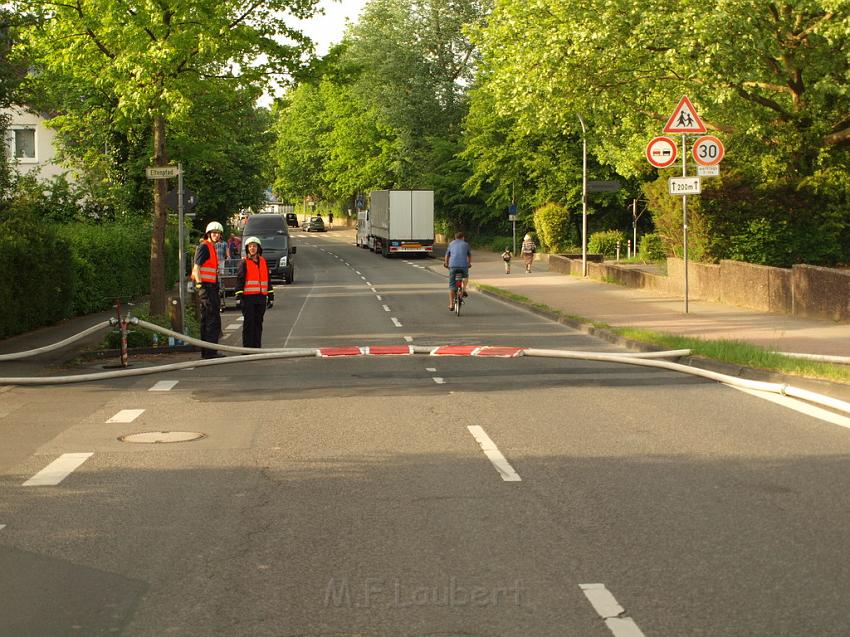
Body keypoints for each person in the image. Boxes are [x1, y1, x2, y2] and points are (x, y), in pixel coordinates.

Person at [192, 221, 224, 358]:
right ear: (208, 234)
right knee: (212, 320)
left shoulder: (210, 247)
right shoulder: (204, 247)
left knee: (206, 319)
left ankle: (207, 352)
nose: (216, 235)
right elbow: (196, 267)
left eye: (218, 233)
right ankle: (211, 352)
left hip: (209, 288)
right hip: (206, 288)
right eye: (214, 233)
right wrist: (200, 285)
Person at [234, 236, 274, 349]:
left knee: (258, 323)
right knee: (249, 324)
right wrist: (239, 297)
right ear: (247, 249)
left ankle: (257, 347)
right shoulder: (244, 263)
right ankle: (247, 348)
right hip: (248, 299)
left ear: (258, 248)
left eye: (254, 246)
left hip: (261, 298)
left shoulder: (263, 261)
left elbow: (267, 280)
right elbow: (240, 281)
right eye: (250, 246)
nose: (252, 248)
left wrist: (271, 296)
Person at [443, 231, 472, 311]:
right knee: (465, 276)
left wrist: (446, 263)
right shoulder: (466, 244)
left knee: (452, 286)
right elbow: (469, 255)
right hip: (463, 266)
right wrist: (469, 264)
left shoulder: (451, 244)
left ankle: (451, 304)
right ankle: (464, 290)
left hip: (453, 266)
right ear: (463, 237)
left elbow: (447, 255)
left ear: (455, 238)